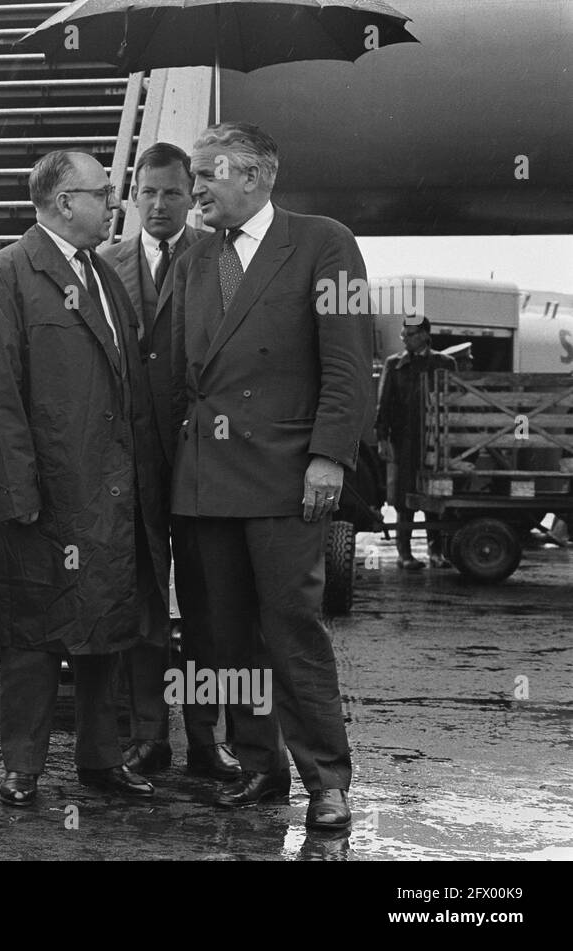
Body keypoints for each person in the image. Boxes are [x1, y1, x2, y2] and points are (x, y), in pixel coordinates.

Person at [0, 150, 171, 807]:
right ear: (61, 202)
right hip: (44, 495)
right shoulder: (2, 277)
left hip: (107, 491)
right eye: (103, 193)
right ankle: (23, 766)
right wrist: (18, 496)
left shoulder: (101, 272)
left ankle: (100, 760)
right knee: (33, 636)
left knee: (105, 627)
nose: (114, 204)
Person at [169, 122, 373, 831]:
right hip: (206, 479)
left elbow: (349, 364)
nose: (196, 187)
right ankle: (259, 764)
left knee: (291, 628)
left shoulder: (324, 242)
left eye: (208, 173)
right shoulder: (196, 254)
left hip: (287, 474)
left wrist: (329, 456)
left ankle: (327, 779)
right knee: (226, 638)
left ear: (255, 176)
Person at [99, 143, 239, 782]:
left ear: (193, 196)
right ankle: (150, 737)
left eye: (173, 193)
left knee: (210, 607)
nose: (159, 205)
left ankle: (208, 742)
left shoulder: (221, 257)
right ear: (133, 193)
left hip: (204, 459)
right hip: (133, 465)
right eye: (148, 192)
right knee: (145, 606)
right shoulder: (104, 263)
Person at [376, 318, 457, 569]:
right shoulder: (395, 364)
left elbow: (455, 401)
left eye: (410, 335)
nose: (405, 340)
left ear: (424, 335)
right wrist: (382, 439)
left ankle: (436, 553)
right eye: (403, 336)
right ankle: (404, 554)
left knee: (434, 496)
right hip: (404, 440)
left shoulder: (445, 363)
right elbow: (384, 404)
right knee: (405, 498)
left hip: (435, 440)